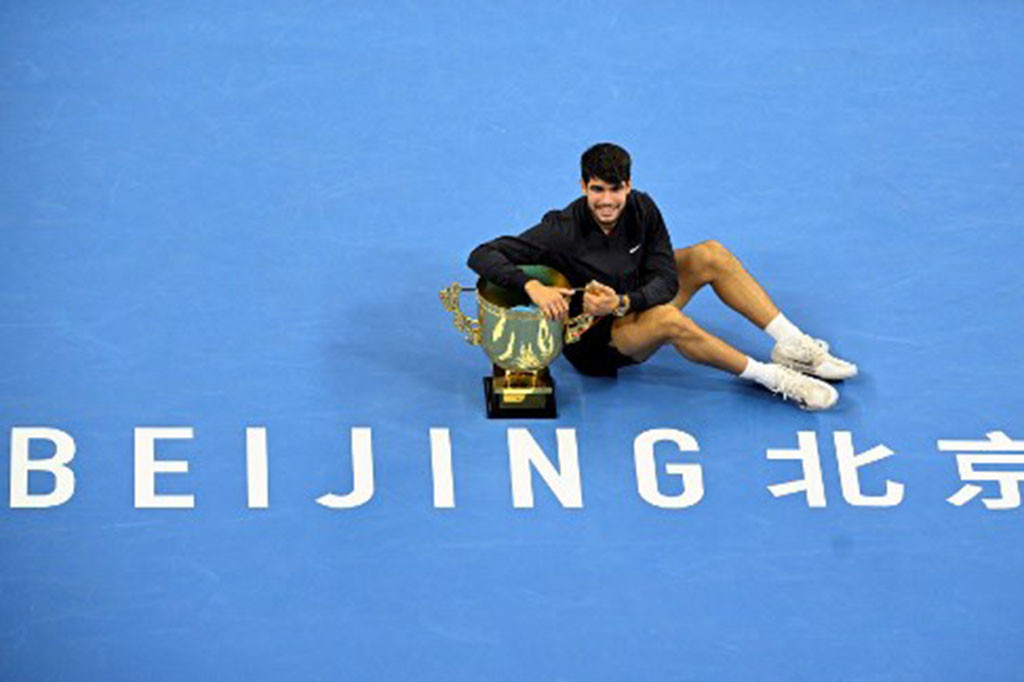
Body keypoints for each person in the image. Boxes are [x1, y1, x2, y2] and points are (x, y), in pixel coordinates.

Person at [467, 142, 857, 410]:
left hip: (630, 303)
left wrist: (621, 302)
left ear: (629, 185)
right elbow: (482, 254)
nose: (607, 200)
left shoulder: (643, 209)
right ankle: (774, 378)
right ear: (583, 186)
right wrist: (532, 286)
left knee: (711, 254)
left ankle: (791, 346)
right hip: (596, 343)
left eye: (615, 189)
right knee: (669, 319)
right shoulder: (561, 229)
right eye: (597, 189)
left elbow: (666, 281)